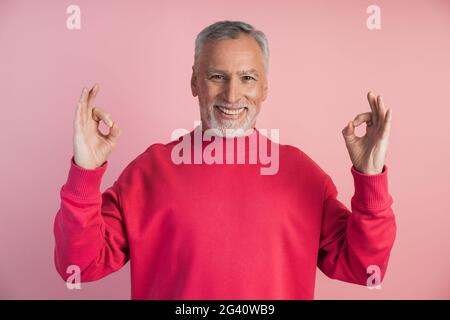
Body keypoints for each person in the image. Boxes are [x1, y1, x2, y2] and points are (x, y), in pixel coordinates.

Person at [54, 20, 396, 299]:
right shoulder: (148, 172)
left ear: (264, 88)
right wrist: (84, 173)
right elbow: (80, 266)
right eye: (217, 76)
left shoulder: (303, 175)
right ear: (194, 82)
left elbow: (366, 268)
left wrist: (370, 178)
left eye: (247, 78)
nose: (232, 95)